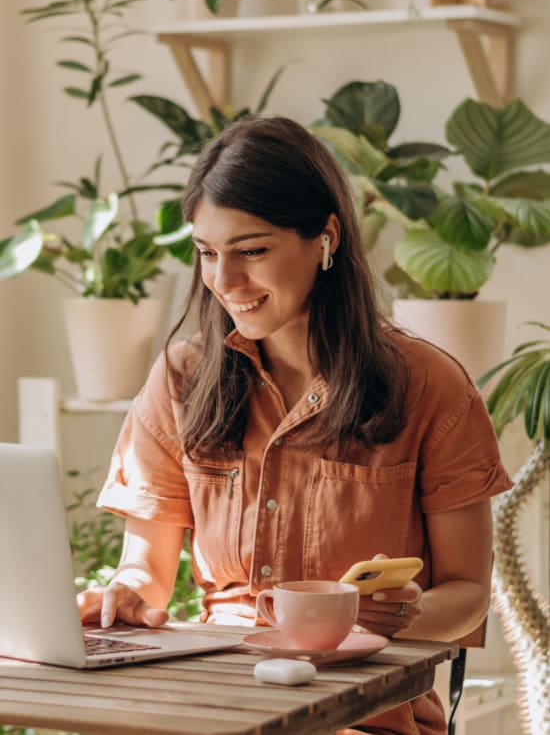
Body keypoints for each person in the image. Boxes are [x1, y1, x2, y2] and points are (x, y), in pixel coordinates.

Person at [78, 116, 512, 735]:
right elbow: (145, 571)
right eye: (207, 253)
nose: (224, 282)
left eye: (252, 250)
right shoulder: (183, 376)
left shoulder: (429, 384)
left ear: (325, 239)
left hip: (365, 711)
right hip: (213, 700)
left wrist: (402, 616)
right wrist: (122, 595)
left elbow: (468, 589)